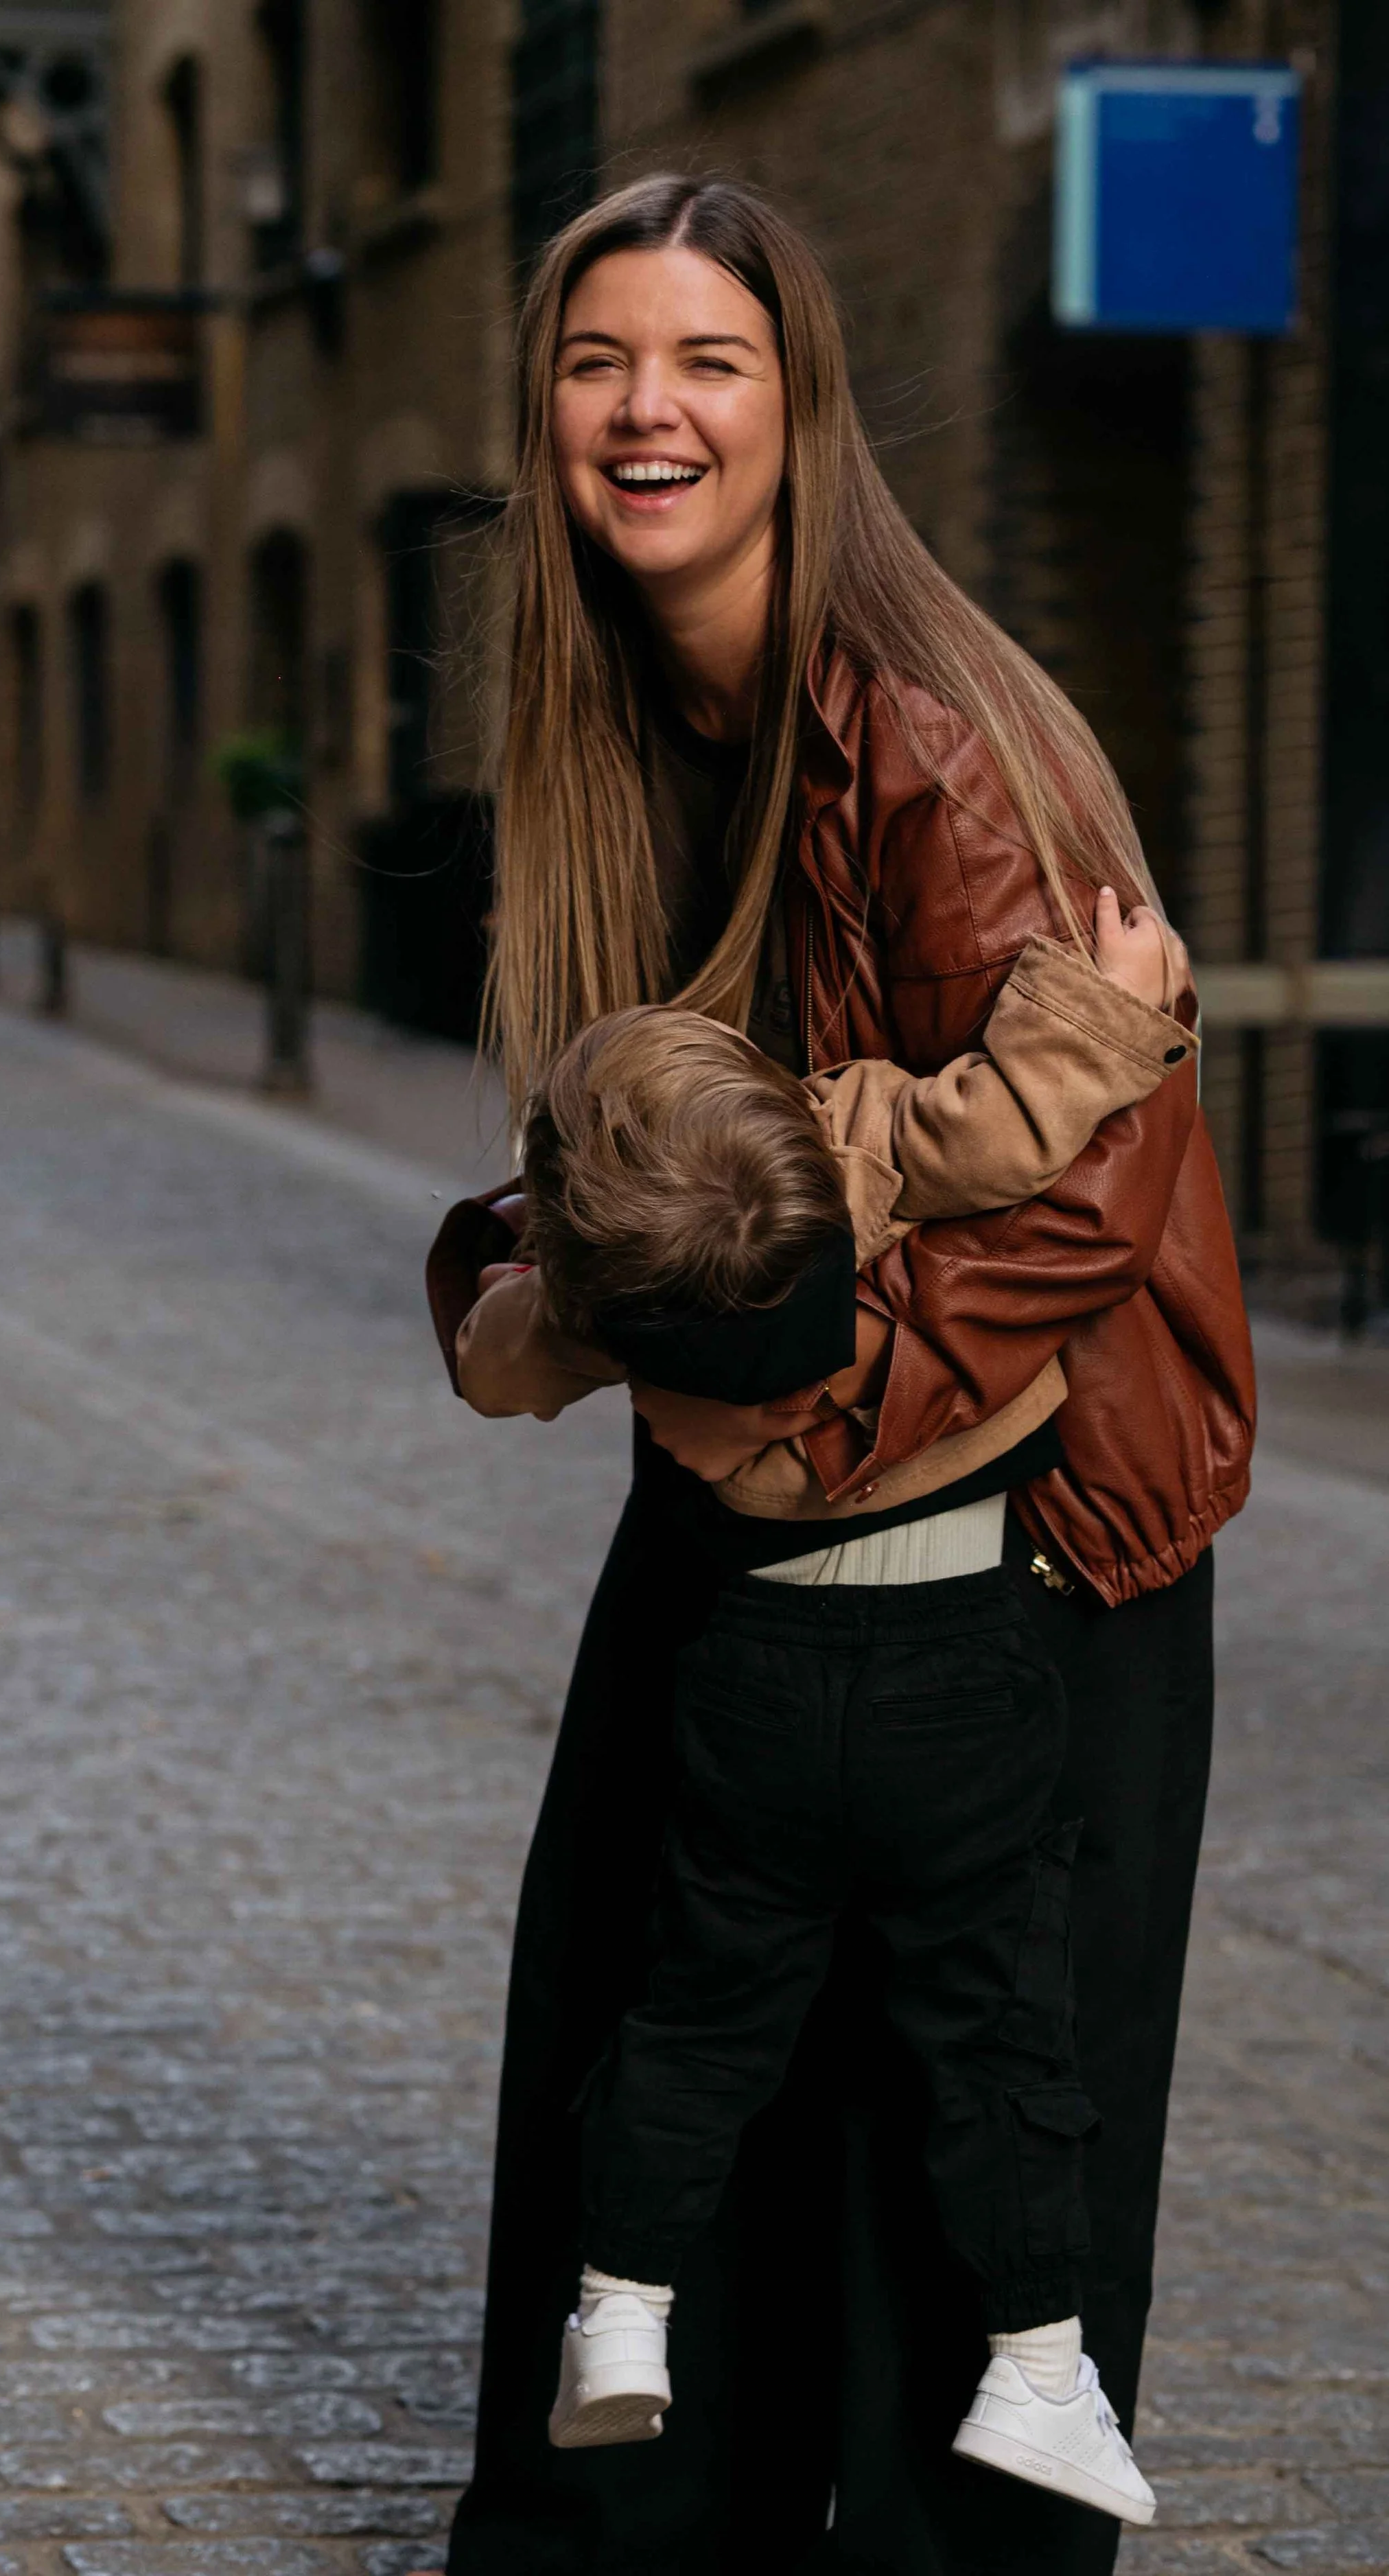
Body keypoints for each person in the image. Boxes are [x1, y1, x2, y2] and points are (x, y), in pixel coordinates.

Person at [421, 172, 1254, 2576]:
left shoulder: (929, 727)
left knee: (957, 2140)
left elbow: (1079, 1201)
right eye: (600, 364)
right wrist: (549, 1279)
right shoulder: (636, 722)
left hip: (1029, 1539)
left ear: (800, 410)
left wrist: (762, 1416)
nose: (647, 410)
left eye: (709, 362)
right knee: (642, 2044)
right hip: (768, 1484)